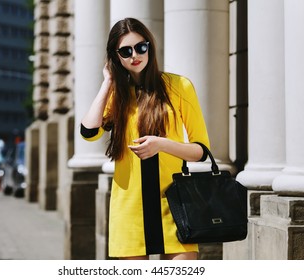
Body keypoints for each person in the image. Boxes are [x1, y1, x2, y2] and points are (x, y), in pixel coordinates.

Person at [80, 18, 210, 260]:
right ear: (115, 56)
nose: (135, 56)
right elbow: (88, 132)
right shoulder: (117, 95)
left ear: (150, 46)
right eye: (125, 51)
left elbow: (201, 151)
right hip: (130, 210)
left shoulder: (179, 86)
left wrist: (161, 144)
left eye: (141, 47)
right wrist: (107, 82)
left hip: (175, 207)